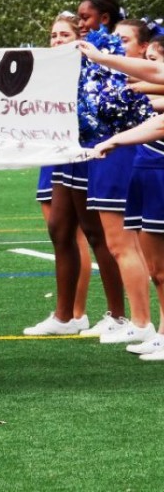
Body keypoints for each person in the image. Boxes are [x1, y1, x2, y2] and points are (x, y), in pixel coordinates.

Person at [23, 0, 126, 337]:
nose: (80, 25)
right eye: (76, 21)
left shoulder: (107, 54)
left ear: (105, 20)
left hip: (90, 148)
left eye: (85, 20)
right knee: (59, 229)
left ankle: (118, 315)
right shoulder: (65, 59)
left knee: (95, 232)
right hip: (64, 147)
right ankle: (66, 316)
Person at [91, 43, 164, 358]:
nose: (143, 67)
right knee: (158, 269)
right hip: (150, 170)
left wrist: (98, 57)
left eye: (150, 60)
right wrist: (114, 139)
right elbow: (155, 123)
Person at [34, 14, 92, 328]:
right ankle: (66, 313)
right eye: (54, 36)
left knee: (78, 235)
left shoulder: (89, 72)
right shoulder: (46, 71)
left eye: (64, 35)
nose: (57, 41)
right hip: (50, 155)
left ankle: (78, 313)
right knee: (58, 233)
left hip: (76, 154)